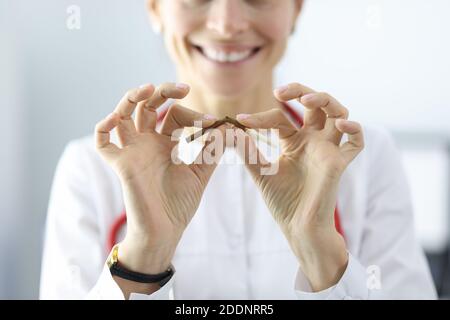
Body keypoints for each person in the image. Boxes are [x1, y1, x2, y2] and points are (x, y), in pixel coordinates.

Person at [40, 0, 436, 299]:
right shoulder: (91, 168)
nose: (227, 24)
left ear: (296, 8)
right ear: (155, 7)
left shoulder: (362, 157)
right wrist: (144, 255)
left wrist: (322, 253)